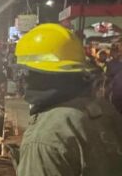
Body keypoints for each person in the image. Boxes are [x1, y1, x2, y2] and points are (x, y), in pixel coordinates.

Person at [14, 24, 122, 176]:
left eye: (25, 73)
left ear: (38, 76)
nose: (23, 81)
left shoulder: (45, 137)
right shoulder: (105, 110)